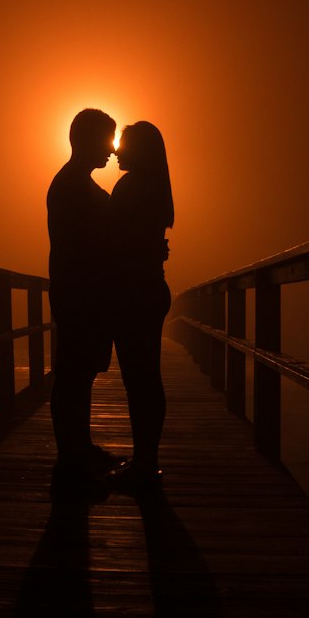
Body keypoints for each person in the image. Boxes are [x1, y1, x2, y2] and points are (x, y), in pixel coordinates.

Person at [46, 107, 121, 492]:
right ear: (85, 140)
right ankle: (69, 466)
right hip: (80, 295)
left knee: (81, 377)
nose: (112, 149)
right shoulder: (73, 187)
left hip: (84, 294)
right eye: (106, 140)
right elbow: (84, 247)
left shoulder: (75, 183)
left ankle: (79, 449)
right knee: (73, 378)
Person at [107, 120, 174, 493]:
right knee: (149, 379)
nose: (116, 151)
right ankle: (147, 459)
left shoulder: (131, 187)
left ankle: (145, 465)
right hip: (151, 289)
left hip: (134, 294)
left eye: (124, 144)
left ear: (141, 151)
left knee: (140, 382)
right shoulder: (155, 188)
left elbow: (113, 244)